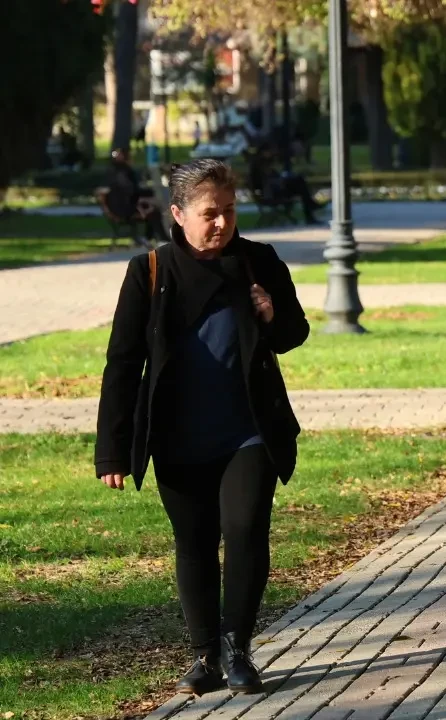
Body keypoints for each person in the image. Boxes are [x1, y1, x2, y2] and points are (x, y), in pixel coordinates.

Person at [94, 158, 310, 696]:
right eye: (210, 213)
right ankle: (204, 657)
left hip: (248, 431)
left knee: (244, 532)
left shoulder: (259, 262)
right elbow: (123, 363)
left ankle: (238, 651)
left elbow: (294, 332)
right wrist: (112, 451)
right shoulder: (149, 271)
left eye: (230, 211)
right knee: (193, 543)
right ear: (178, 214)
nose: (222, 223)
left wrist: (270, 314)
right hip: (177, 436)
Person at [105, 148, 166, 247]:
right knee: (154, 213)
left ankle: (149, 238)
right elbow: (129, 192)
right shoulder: (123, 173)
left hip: (122, 205)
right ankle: (160, 239)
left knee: (153, 209)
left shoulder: (116, 171)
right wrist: (143, 201)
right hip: (124, 208)